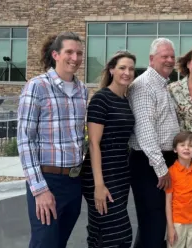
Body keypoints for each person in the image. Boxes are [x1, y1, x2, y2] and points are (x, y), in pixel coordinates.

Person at [17, 32, 87, 248]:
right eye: (69, 52)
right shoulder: (37, 86)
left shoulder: (82, 90)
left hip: (74, 181)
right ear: (56, 54)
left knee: (59, 242)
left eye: (79, 53)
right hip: (48, 180)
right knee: (44, 243)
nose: (75, 58)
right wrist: (40, 190)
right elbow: (25, 140)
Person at [128, 38, 181, 248]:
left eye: (172, 56)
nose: (169, 60)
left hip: (161, 160)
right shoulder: (143, 86)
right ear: (151, 59)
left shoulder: (162, 84)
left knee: (155, 225)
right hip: (148, 163)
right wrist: (161, 169)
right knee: (154, 224)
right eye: (164, 56)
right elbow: (145, 130)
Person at [81, 50, 137, 248]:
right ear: (111, 70)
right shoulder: (101, 99)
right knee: (115, 235)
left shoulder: (125, 101)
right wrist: (98, 185)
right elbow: (94, 144)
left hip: (120, 174)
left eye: (131, 69)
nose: (127, 72)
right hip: (100, 175)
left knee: (106, 232)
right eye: (122, 67)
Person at [165, 131, 192, 248]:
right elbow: (168, 202)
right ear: (175, 149)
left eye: (190, 145)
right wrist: (170, 227)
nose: (186, 148)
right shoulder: (171, 172)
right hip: (177, 222)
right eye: (182, 145)